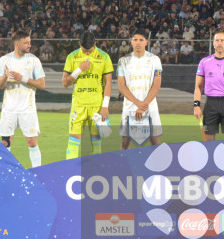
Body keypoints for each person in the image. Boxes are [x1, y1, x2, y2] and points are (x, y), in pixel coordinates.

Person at [0, 30, 46, 167]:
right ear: (17, 44)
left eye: (29, 42)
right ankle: (5, 172)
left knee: (32, 142)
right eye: (26, 43)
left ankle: (38, 172)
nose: (29, 45)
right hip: (9, 109)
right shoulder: (5, 60)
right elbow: (0, 85)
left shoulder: (34, 60)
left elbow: (42, 84)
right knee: (5, 142)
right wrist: (5, 77)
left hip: (27, 109)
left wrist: (22, 78)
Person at [62, 31, 113, 159]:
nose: (87, 53)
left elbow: (108, 83)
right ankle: (70, 169)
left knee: (96, 143)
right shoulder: (72, 57)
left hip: (96, 106)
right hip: (78, 105)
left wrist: (105, 106)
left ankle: (95, 169)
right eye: (84, 50)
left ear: (95, 43)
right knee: (73, 141)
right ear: (79, 43)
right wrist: (79, 69)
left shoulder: (104, 57)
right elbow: (65, 83)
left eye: (89, 51)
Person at [117, 29, 163, 149]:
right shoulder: (123, 61)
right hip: (130, 106)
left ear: (146, 42)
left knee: (155, 141)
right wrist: (138, 103)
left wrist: (143, 106)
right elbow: (121, 86)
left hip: (150, 106)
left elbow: (156, 85)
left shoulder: (155, 60)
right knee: (125, 141)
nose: (138, 42)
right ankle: (123, 162)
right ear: (131, 42)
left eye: (141, 40)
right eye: (135, 40)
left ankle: (160, 162)